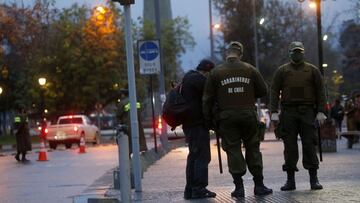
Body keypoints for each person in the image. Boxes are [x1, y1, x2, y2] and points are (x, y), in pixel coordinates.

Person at [203, 41, 273, 198]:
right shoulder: (250, 69)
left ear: (227, 53)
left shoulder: (216, 72)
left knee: (233, 150)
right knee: (253, 148)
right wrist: (247, 93)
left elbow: (207, 99)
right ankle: (259, 185)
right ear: (240, 54)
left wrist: (208, 121)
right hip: (248, 115)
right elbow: (263, 90)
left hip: (227, 118)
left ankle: (239, 187)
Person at [270, 41, 326, 191]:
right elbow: (274, 91)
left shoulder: (313, 70)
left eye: (299, 51)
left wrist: (321, 111)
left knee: (309, 144)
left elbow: (321, 91)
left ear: (303, 52)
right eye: (294, 51)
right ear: (289, 53)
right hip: (288, 112)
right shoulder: (281, 71)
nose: (297, 54)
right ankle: (290, 180)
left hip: (308, 111)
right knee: (289, 147)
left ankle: (314, 179)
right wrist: (273, 111)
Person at [181, 59, 216, 199]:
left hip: (190, 124)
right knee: (202, 156)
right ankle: (199, 189)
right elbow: (211, 94)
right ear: (207, 72)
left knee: (193, 157)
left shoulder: (189, 78)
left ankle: (190, 189)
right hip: (197, 124)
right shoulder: (199, 80)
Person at [116, 89, 147, 155]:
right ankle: (142, 150)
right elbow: (140, 111)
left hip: (127, 125)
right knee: (139, 138)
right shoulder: (136, 101)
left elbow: (118, 114)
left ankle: (129, 156)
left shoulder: (122, 103)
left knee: (128, 142)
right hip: (138, 124)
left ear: (123, 95)